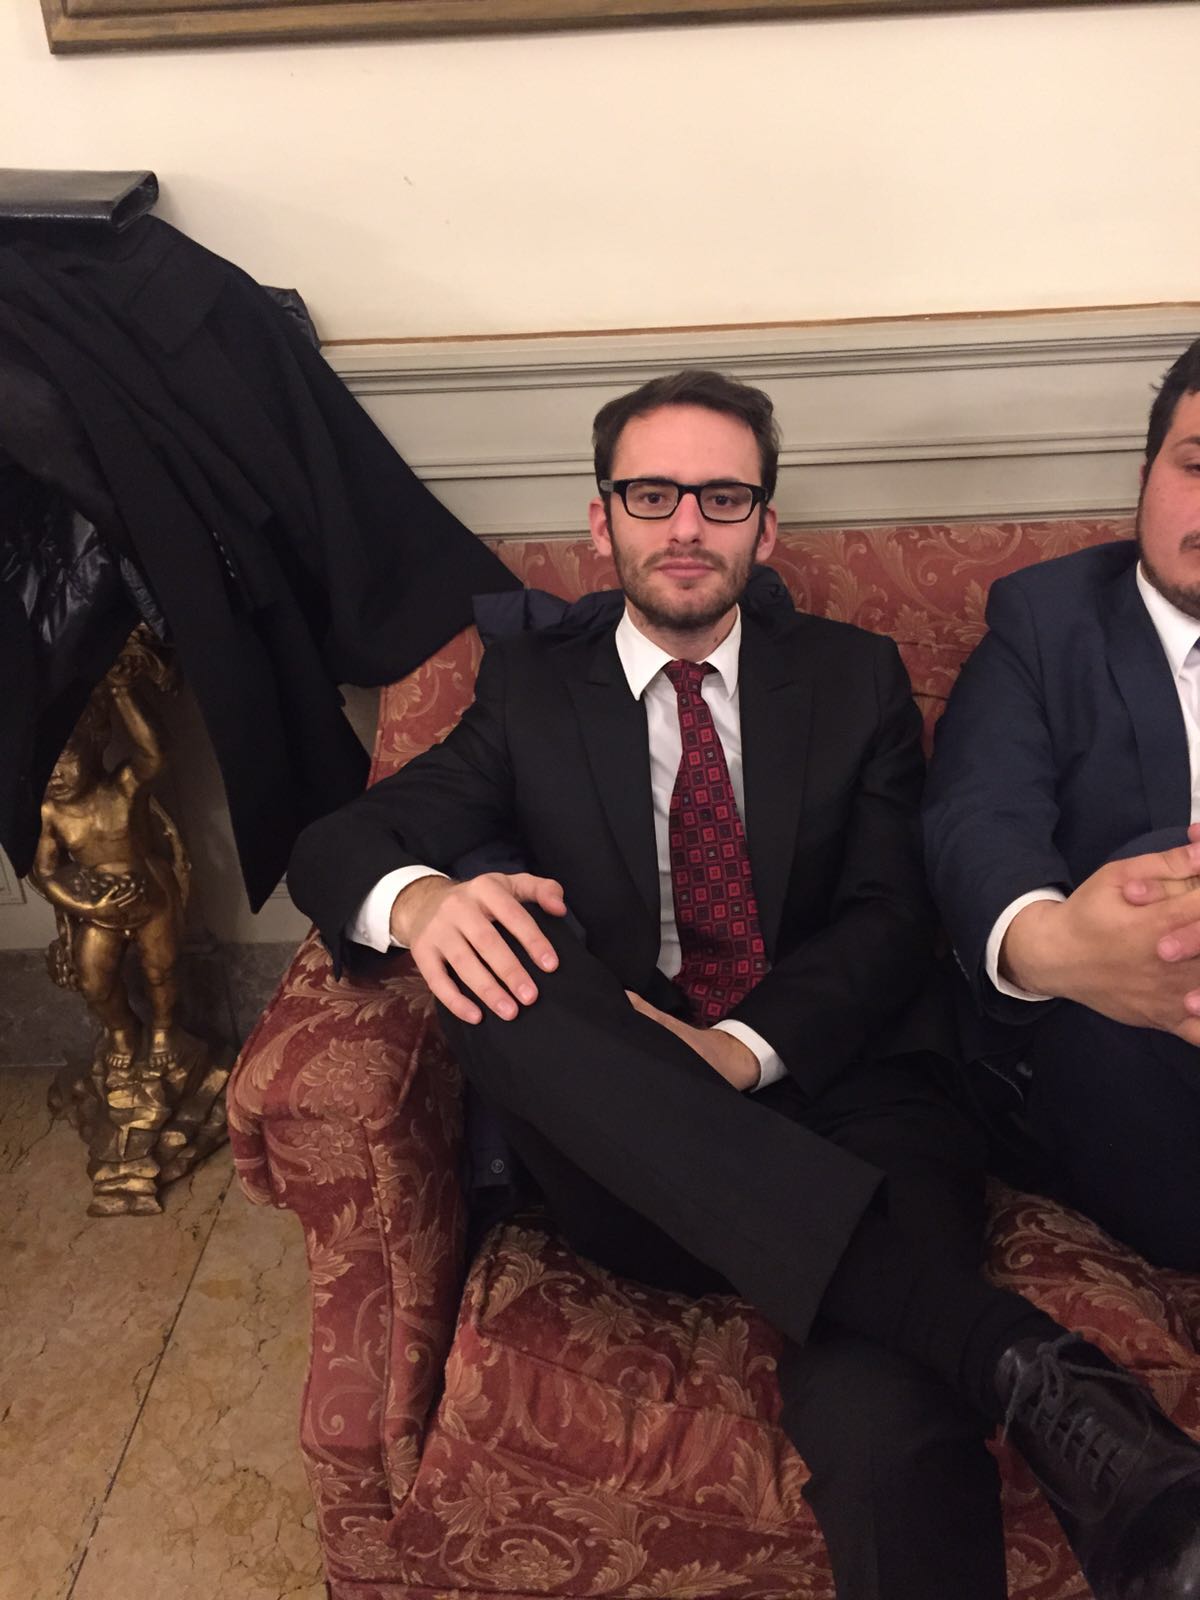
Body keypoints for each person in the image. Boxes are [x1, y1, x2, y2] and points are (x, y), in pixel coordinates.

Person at [290, 369, 1200, 1600]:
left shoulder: (852, 677)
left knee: (893, 1432)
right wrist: (422, 903)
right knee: (498, 961)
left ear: (765, 528)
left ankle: (956, 1352)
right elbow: (337, 845)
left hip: (856, 1101)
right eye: (651, 494)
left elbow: (893, 917)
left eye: (722, 498)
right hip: (629, 1143)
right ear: (600, 520)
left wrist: (738, 1049)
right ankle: (1015, 1357)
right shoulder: (533, 692)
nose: (686, 526)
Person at [924, 337, 1200, 1273]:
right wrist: (1061, 947)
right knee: (1153, 868)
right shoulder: (1047, 621)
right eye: (1198, 466)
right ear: (1147, 474)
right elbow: (978, 817)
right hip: (1114, 1049)